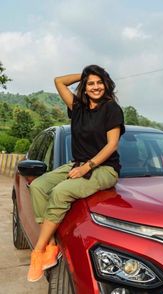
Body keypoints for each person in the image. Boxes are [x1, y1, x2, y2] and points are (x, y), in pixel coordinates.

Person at [27, 65, 125, 282]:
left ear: (106, 84)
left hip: (104, 168)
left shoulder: (112, 109)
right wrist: (84, 74)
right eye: (90, 83)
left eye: (100, 82)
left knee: (60, 192)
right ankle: (51, 246)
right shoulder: (78, 107)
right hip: (77, 163)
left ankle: (38, 251)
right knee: (38, 186)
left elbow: (112, 145)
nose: (96, 87)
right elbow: (58, 81)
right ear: (84, 86)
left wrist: (86, 167)